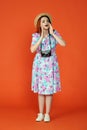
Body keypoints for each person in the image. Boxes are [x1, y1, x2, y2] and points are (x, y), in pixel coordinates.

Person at [30, 13, 66, 122]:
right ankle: (40, 113)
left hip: (51, 63)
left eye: (47, 20)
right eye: (43, 21)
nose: (46, 22)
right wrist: (41, 37)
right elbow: (32, 49)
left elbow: (63, 44)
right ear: (39, 25)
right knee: (41, 90)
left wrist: (52, 34)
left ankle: (47, 114)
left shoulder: (54, 34)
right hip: (40, 64)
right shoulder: (35, 36)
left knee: (49, 90)